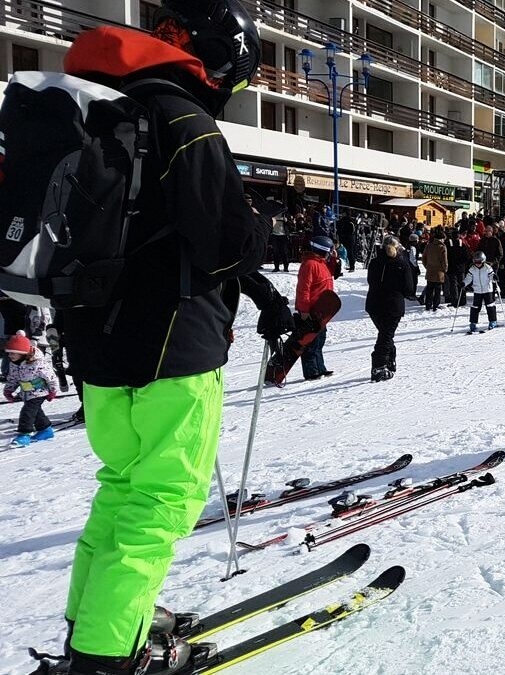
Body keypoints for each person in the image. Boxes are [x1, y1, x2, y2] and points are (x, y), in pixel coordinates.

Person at [48, 2, 298, 673]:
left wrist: (264, 294)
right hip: (172, 348)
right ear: (222, 61)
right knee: (160, 500)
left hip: (97, 346)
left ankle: (96, 618)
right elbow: (224, 242)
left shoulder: (104, 110)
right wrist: (259, 229)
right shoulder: (184, 120)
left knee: (123, 486)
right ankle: (105, 656)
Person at [365, 235, 413, 382]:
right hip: (392, 305)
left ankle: (389, 361)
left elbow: (370, 281)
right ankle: (379, 366)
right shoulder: (401, 264)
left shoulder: (374, 262)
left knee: (385, 334)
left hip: (374, 304)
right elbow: (409, 288)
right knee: (385, 336)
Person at [4, 330, 58, 447]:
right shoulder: (14, 363)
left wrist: (53, 390)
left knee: (27, 412)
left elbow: (51, 377)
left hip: (40, 391)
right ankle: (45, 430)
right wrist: (8, 390)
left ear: (22, 352)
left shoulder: (37, 363)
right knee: (36, 412)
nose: (10, 356)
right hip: (26, 392)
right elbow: (12, 378)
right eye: (9, 353)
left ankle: (24, 434)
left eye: (13, 353)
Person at [297, 236, 337, 380]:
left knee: (320, 340)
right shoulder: (309, 264)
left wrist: (333, 259)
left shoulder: (321, 263)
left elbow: (333, 272)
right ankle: (311, 371)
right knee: (311, 342)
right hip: (311, 310)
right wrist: (304, 310)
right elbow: (303, 289)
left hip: (322, 310)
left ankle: (320, 367)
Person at [463, 250, 499, 333]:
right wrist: (463, 283)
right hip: (477, 290)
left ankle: (492, 321)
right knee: (475, 307)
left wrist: (494, 277)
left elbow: (491, 275)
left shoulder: (487, 268)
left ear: (483, 261)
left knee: (490, 306)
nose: (477, 264)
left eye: (479, 262)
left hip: (487, 290)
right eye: (475, 262)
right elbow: (468, 278)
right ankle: (473, 323)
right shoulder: (472, 269)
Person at [423, 229, 448, 311]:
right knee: (437, 290)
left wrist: (427, 266)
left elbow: (424, 258)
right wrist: (445, 269)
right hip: (439, 272)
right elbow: (444, 261)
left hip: (430, 270)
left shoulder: (428, 245)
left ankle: (428, 304)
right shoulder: (442, 247)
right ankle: (435, 305)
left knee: (429, 289)